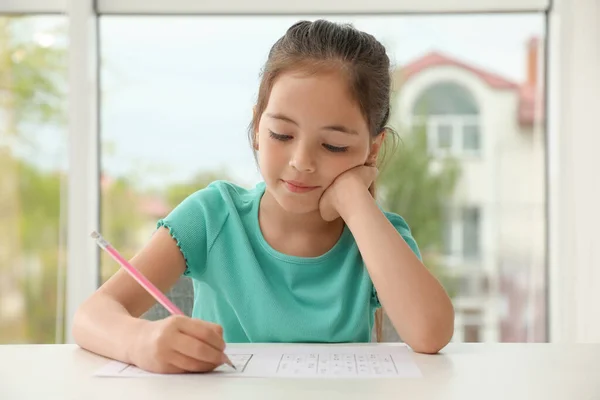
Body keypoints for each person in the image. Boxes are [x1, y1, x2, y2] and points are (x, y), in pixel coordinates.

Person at [72, 19, 454, 374]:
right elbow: (92, 315)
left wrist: (355, 201)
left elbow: (430, 333)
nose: (301, 162)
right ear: (257, 127)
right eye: (282, 135)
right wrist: (142, 340)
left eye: (334, 145)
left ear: (372, 150)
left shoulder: (376, 235)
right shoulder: (212, 216)